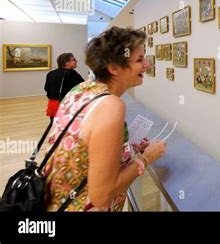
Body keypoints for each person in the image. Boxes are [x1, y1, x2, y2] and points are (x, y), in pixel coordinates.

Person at [43, 27, 167, 211]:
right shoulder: (111, 105)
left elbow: (86, 144)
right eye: (139, 59)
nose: (147, 64)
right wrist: (146, 158)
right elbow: (101, 196)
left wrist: (127, 147)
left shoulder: (81, 90)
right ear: (113, 68)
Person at [44, 53, 85, 123]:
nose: (76, 61)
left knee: (57, 128)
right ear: (66, 63)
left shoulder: (51, 73)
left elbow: (46, 88)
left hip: (52, 107)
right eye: (74, 60)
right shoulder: (72, 73)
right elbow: (82, 88)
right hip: (65, 106)